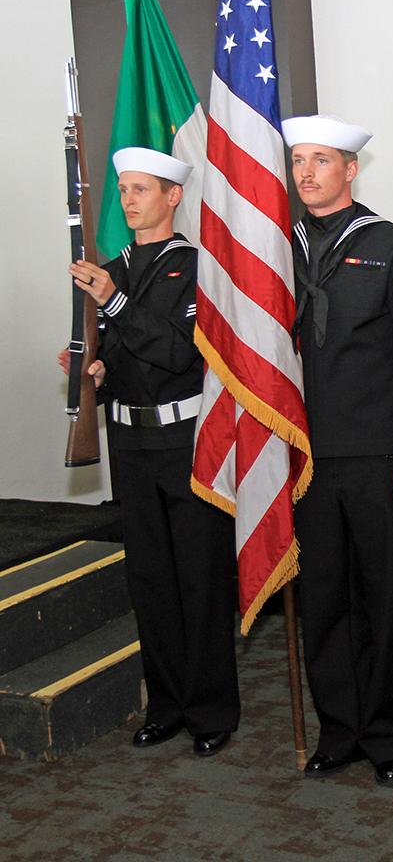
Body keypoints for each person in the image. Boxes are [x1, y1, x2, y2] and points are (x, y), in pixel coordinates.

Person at [60, 146, 240, 756]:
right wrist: (93, 369)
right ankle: (166, 705)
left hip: (185, 441)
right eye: (124, 189)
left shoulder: (196, 267)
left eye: (142, 189)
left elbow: (180, 352)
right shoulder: (112, 269)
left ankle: (211, 710)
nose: (129, 199)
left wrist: (115, 303)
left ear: (173, 196)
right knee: (150, 579)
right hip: (129, 441)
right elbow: (122, 355)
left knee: (200, 577)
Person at [282, 114, 393, 787]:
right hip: (304, 456)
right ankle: (339, 729)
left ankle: (391, 733)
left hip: (377, 454)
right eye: (299, 161)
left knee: (385, 597)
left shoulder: (392, 246)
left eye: (322, 160)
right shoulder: (272, 249)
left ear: (351, 169)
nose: (307, 173)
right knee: (323, 598)